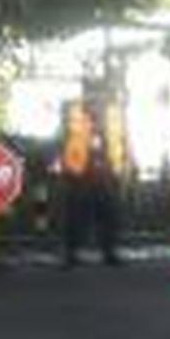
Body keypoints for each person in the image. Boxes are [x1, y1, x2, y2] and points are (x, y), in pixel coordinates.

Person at [58, 92, 129, 268]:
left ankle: (109, 252)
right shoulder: (77, 120)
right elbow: (65, 145)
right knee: (76, 217)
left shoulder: (114, 120)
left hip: (106, 176)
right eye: (94, 103)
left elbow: (122, 144)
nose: (98, 106)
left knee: (109, 216)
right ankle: (71, 253)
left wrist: (123, 168)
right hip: (81, 176)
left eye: (100, 102)